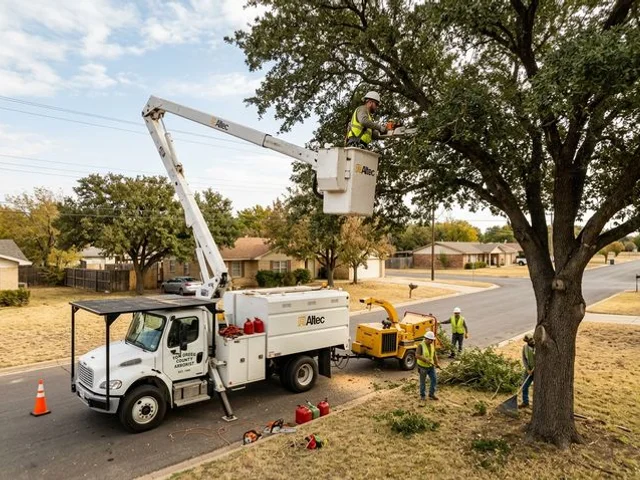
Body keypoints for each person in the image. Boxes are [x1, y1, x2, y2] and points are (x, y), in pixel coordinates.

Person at [416, 330, 439, 401]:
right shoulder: (421, 345)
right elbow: (417, 355)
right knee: (423, 381)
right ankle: (422, 395)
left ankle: (431, 394)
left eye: (432, 340)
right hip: (422, 367)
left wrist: (436, 363)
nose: (431, 341)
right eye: (430, 340)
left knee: (434, 379)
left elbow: (434, 355)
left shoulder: (432, 346)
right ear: (426, 338)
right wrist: (425, 359)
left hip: (431, 367)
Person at [520, 333, 535, 408]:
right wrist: (528, 369)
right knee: (525, 386)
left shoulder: (538, 347)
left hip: (537, 370)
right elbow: (524, 359)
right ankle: (525, 402)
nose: (530, 342)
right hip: (529, 370)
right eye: (528, 341)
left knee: (537, 388)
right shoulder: (525, 348)